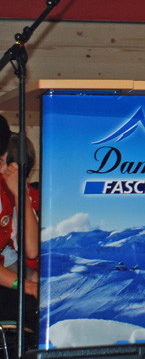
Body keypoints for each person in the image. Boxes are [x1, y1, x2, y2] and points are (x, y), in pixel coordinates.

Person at [0, 117, 39, 328]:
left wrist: (20, 194)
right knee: (28, 306)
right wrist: (24, 285)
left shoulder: (16, 194)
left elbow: (31, 251)